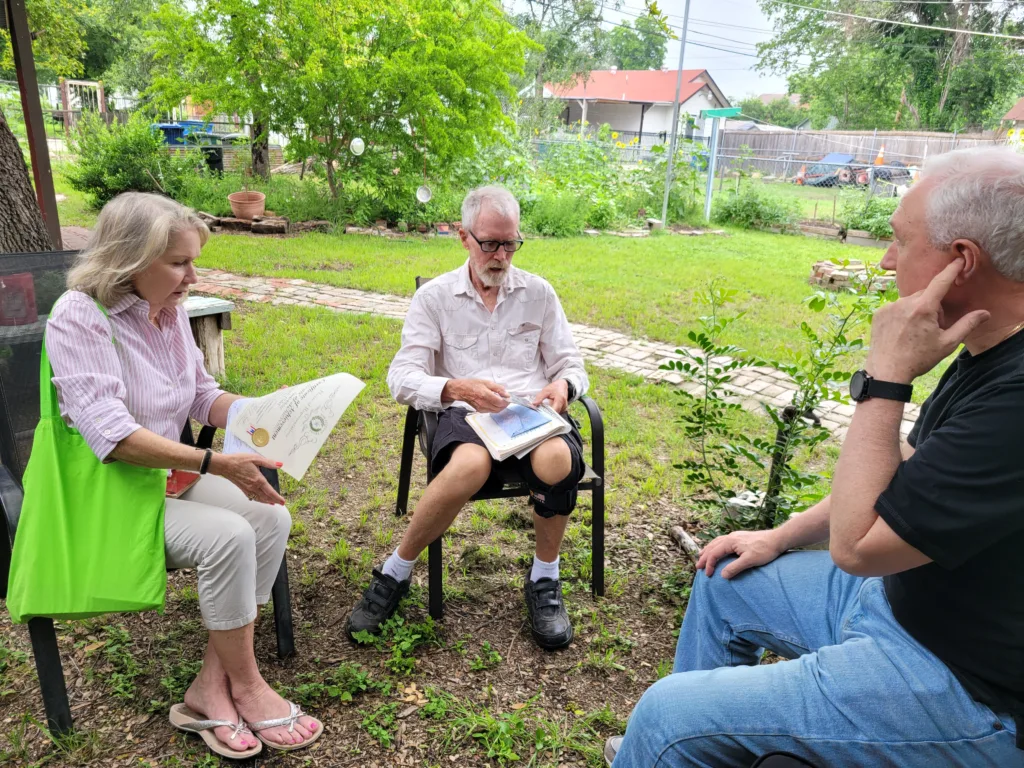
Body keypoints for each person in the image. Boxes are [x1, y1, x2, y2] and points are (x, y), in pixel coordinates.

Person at [605, 146, 1024, 767]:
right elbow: (909, 461)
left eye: (899, 242)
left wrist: (884, 378)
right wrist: (779, 535)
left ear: (960, 262)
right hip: (900, 600)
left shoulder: (1016, 401)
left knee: (666, 716)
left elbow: (857, 550)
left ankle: (667, 745)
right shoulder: (989, 345)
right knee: (727, 580)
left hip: (963, 686)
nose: (885, 261)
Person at [47, 193, 322, 758]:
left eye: (193, 261)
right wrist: (216, 462)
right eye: (178, 262)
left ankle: (208, 687)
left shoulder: (169, 311)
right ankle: (246, 686)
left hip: (167, 479)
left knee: (270, 516)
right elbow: (114, 437)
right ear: (128, 259)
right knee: (230, 535)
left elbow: (200, 395)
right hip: (110, 494)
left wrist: (270, 412)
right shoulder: (79, 316)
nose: (192, 276)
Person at [345, 185, 589, 650]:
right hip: (466, 416)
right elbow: (401, 376)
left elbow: (570, 364)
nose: (500, 255)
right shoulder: (436, 298)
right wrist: (455, 387)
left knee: (558, 461)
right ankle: (395, 572)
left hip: (530, 415)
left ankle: (544, 579)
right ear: (463, 237)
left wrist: (564, 386)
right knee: (470, 466)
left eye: (510, 243)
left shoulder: (538, 293)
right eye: (489, 243)